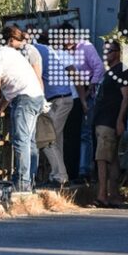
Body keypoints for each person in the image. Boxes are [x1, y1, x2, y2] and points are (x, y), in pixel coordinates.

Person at [0, 35, 45, 193]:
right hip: (36, 96)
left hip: (25, 99)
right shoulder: (9, 52)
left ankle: (22, 182)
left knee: (21, 140)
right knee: (30, 141)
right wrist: (0, 108)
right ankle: (29, 180)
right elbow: (12, 87)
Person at [32, 32, 85, 187]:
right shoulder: (53, 53)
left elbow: (75, 77)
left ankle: (59, 176)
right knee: (56, 140)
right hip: (63, 99)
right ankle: (58, 176)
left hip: (59, 101)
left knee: (47, 139)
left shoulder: (36, 52)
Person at [59, 22, 104, 182]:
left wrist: (90, 86)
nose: (66, 41)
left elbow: (99, 67)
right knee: (72, 133)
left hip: (87, 91)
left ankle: (84, 170)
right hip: (71, 94)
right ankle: (72, 169)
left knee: (85, 133)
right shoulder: (63, 51)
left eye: (68, 37)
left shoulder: (86, 47)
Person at [93, 41, 128, 207]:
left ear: (117, 53)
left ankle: (102, 195)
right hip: (103, 119)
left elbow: (126, 97)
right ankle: (114, 195)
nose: (106, 55)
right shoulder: (110, 72)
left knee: (102, 158)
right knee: (113, 158)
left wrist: (119, 120)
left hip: (109, 121)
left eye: (109, 51)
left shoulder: (122, 71)